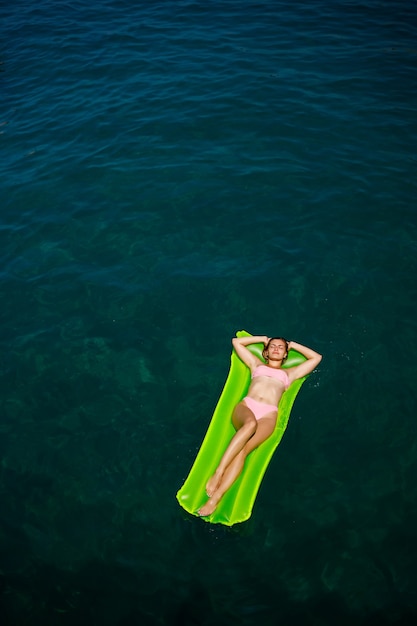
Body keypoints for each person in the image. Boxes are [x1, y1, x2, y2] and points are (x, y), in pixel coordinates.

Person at [198, 334, 322, 517]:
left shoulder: (290, 374)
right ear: (265, 351)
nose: (277, 349)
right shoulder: (257, 365)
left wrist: (293, 344)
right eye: (273, 346)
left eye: (281, 347)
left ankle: (215, 498)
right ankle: (219, 471)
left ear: (286, 354)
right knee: (249, 425)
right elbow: (236, 342)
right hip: (247, 406)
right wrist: (263, 338)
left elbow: (316, 358)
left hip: (268, 414)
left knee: (244, 450)